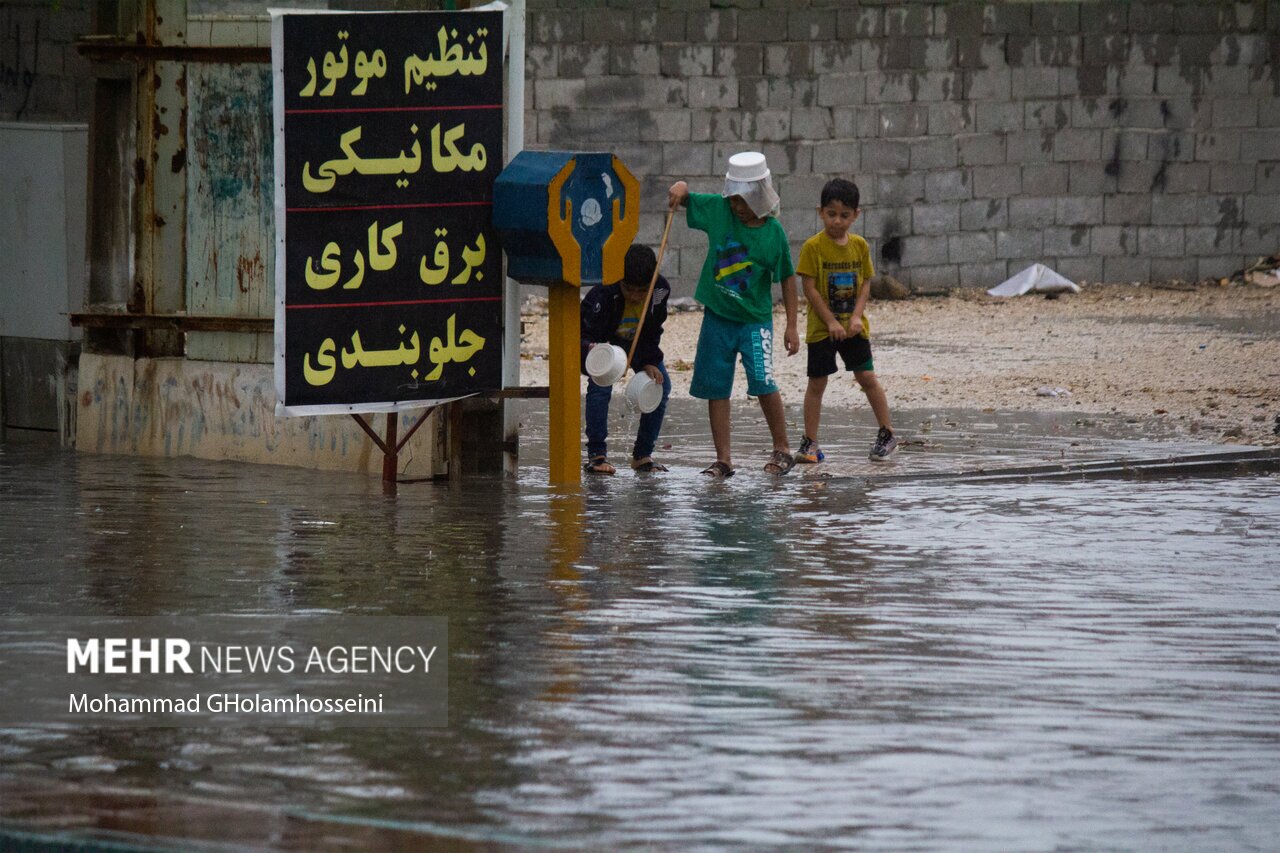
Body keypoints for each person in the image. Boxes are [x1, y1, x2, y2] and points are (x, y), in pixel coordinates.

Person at [668, 151, 799, 477]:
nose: (737, 207)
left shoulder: (773, 234)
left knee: (763, 381)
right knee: (716, 386)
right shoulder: (719, 210)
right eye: (734, 200)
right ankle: (724, 459)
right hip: (718, 317)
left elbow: (786, 279)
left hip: (755, 320)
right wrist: (681, 187)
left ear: (759, 197)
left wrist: (792, 326)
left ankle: (782, 449)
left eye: (743, 201)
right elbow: (686, 197)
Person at [794, 177, 897, 463]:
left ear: (856, 215)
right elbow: (809, 288)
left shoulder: (860, 246)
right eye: (831, 214)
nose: (837, 221)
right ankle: (811, 442)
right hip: (821, 329)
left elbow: (865, 283)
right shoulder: (813, 247)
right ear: (820, 212)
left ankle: (887, 433)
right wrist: (830, 321)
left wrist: (854, 318)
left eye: (844, 215)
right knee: (817, 383)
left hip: (853, 329)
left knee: (866, 377)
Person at [580, 244, 672, 475]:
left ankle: (642, 455)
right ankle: (597, 454)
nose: (633, 297)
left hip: (639, 347)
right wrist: (598, 354)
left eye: (641, 291)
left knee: (661, 386)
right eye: (628, 289)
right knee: (600, 388)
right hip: (604, 347)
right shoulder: (603, 292)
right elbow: (585, 333)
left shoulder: (660, 290)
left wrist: (649, 360)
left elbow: (653, 330)